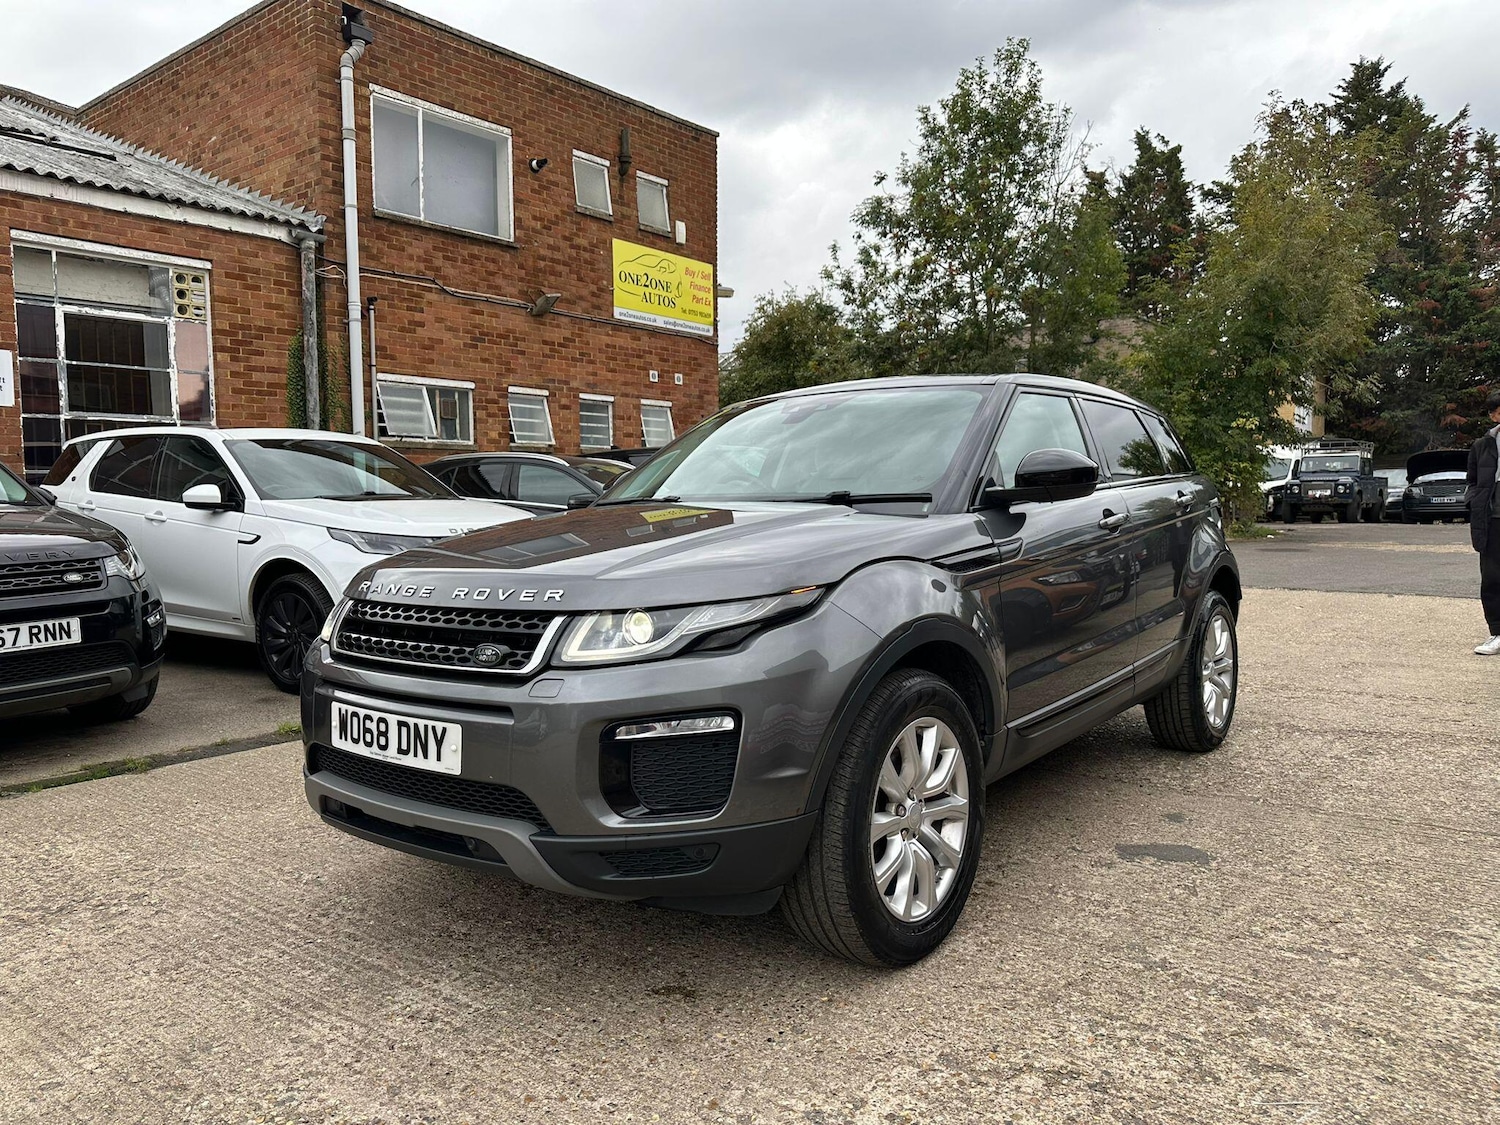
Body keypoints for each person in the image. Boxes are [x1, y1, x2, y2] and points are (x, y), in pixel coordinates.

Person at [1467, 389, 1500, 654]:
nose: (1495, 415)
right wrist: (1474, 500)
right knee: (1491, 577)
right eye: (1493, 412)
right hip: (1492, 518)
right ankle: (1498, 633)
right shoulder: (1483, 444)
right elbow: (1473, 480)